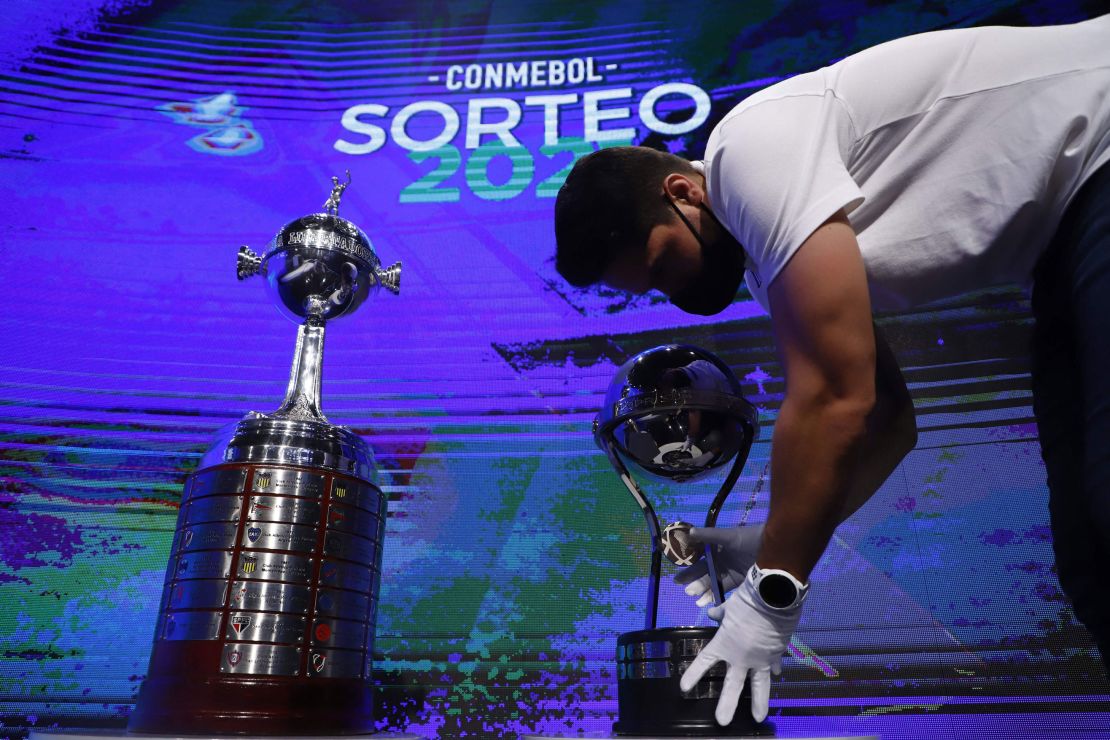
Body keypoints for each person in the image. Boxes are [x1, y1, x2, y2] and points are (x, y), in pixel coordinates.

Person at [553, 14, 1110, 727]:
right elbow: (888, 422)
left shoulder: (748, 155)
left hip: (1099, 149)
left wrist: (769, 596)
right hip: (1061, 239)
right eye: (654, 290)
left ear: (682, 192)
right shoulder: (763, 263)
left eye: (665, 263)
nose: (676, 292)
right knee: (1090, 561)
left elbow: (835, 397)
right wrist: (764, 544)